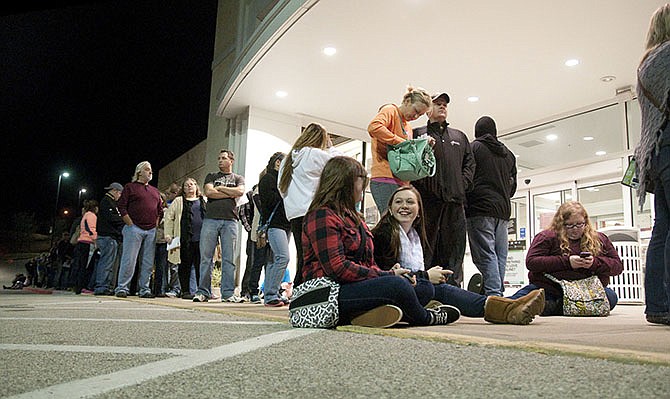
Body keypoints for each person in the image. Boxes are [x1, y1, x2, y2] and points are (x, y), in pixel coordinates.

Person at [301, 156, 460, 328]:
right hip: (330, 293)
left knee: (423, 287)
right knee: (398, 285)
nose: (363, 189)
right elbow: (337, 269)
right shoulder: (322, 216)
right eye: (361, 182)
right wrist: (388, 276)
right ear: (345, 183)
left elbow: (368, 264)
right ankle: (424, 317)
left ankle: (365, 314)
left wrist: (390, 272)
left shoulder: (356, 219)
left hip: (354, 286)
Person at [372, 186, 545, 324]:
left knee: (439, 288)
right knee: (437, 289)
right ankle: (507, 307)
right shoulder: (384, 234)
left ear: (418, 209)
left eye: (410, 202)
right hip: (391, 291)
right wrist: (425, 276)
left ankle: (511, 304)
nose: (404, 206)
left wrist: (428, 276)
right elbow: (388, 277)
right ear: (390, 208)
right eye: (398, 202)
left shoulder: (415, 236)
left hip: (410, 287)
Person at [508, 201, 623, 315]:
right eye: (570, 225)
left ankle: (550, 307)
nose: (575, 229)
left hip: (588, 291)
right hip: (551, 288)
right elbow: (532, 262)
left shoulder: (600, 239)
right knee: (517, 300)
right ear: (561, 224)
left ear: (586, 222)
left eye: (579, 224)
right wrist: (567, 262)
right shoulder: (547, 237)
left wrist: (594, 263)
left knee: (611, 297)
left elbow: (617, 266)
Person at [412, 92, 476, 287]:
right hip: (427, 204)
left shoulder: (459, 136)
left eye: (444, 104)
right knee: (427, 248)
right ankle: (427, 291)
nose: (442, 107)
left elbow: (470, 164)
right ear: (427, 110)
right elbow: (412, 163)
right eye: (437, 104)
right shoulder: (417, 134)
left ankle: (454, 292)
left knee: (455, 251)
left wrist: (461, 184)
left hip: (455, 204)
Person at [632, 4, 670, 326]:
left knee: (662, 229)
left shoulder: (647, 64)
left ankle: (657, 304)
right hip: (668, 145)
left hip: (655, 154)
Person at [278, 122, 342, 287]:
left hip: (294, 214)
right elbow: (341, 163)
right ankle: (308, 298)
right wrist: (330, 147)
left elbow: (281, 188)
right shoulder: (313, 154)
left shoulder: (287, 159)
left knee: (303, 257)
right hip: (313, 212)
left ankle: (299, 296)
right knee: (315, 258)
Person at [465, 116, 517, 297]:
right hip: (503, 211)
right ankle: (496, 292)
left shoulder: (474, 148)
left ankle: (494, 295)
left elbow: (467, 177)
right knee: (500, 255)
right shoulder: (508, 154)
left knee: (486, 254)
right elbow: (513, 186)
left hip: (479, 208)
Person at [367, 86, 432, 215]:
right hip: (384, 177)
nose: (416, 116)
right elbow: (374, 127)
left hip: (401, 180)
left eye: (420, 115)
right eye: (416, 111)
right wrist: (399, 141)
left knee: (400, 224)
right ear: (407, 101)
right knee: (391, 223)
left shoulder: (408, 127)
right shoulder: (391, 110)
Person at [194, 149, 245, 303]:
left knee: (229, 258)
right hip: (210, 219)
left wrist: (221, 189)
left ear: (231, 161)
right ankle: (203, 292)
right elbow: (209, 192)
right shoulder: (211, 176)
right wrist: (230, 193)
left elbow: (241, 191)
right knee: (206, 257)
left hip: (230, 221)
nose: (220, 160)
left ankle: (228, 293)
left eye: (223, 158)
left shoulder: (238, 178)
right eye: (219, 158)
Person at [115, 161, 163, 299]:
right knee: (129, 260)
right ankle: (122, 287)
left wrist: (155, 224)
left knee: (147, 262)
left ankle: (144, 289)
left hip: (151, 230)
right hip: (133, 228)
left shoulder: (155, 191)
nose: (150, 172)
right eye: (147, 169)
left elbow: (160, 210)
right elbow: (121, 206)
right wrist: (129, 223)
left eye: (151, 170)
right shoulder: (130, 187)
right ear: (139, 172)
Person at [164, 177, 206, 300]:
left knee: (201, 265)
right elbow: (169, 218)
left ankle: (202, 290)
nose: (190, 186)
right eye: (187, 185)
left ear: (197, 186)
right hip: (185, 238)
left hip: (201, 238)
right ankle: (185, 291)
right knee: (185, 265)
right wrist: (168, 234)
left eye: (192, 184)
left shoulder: (203, 200)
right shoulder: (178, 201)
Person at [259, 152, 291, 307]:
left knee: (274, 260)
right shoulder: (268, 179)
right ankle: (271, 294)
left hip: (285, 224)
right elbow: (270, 201)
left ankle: (273, 293)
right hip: (274, 224)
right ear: (278, 163)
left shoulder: (281, 180)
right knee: (283, 257)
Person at [93, 182, 124, 296]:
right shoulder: (107, 202)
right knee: (106, 263)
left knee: (109, 263)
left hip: (109, 236)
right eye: (120, 193)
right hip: (107, 236)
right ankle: (101, 286)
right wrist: (123, 219)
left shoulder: (109, 202)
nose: (120, 196)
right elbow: (112, 218)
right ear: (115, 191)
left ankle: (105, 286)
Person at [71, 199, 98, 294]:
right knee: (86, 266)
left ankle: (77, 286)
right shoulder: (92, 216)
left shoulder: (85, 216)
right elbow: (91, 229)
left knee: (80, 265)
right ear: (95, 208)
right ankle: (82, 286)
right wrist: (95, 241)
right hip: (87, 242)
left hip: (81, 241)